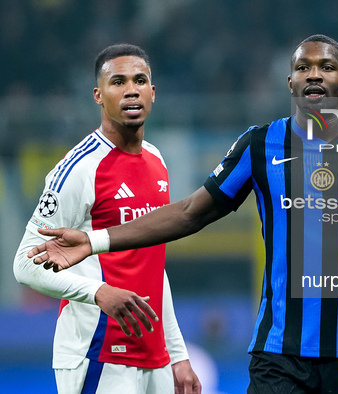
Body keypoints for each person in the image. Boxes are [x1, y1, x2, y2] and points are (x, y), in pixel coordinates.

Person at [27, 35, 338, 393]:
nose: (314, 74)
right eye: (304, 68)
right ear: (291, 82)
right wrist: (97, 241)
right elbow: (192, 212)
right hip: (278, 355)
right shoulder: (261, 145)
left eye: (326, 67)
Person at [14, 44, 201, 394]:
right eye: (118, 82)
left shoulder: (156, 160)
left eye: (140, 80)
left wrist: (177, 353)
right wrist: (97, 291)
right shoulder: (79, 168)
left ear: (153, 92)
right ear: (99, 95)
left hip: (153, 356)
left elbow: (152, 265)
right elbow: (24, 265)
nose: (131, 89)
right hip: (97, 352)